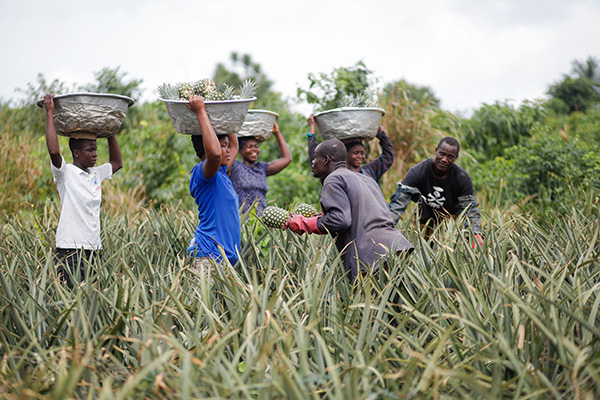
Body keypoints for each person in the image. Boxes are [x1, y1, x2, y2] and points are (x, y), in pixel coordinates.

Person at [284, 138, 413, 281]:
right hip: (398, 247)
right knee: (392, 303)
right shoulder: (366, 179)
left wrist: (303, 224)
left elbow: (340, 220)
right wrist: (318, 218)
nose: (313, 162)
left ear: (326, 160)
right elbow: (359, 215)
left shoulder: (333, 178)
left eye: (315, 157)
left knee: (367, 302)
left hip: (372, 255)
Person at [43, 94, 123, 288]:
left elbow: (117, 163)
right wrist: (50, 113)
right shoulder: (66, 173)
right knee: (69, 300)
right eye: (90, 150)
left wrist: (109, 130)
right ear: (76, 152)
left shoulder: (96, 174)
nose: (95, 154)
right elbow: (54, 152)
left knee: (91, 302)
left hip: (93, 249)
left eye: (96, 149)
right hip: (69, 249)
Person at [388, 136, 482, 240]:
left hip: (450, 221)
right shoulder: (418, 171)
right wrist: (386, 227)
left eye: (450, 157)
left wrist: (475, 236)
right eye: (442, 154)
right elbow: (398, 203)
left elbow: (471, 211)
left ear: (456, 158)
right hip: (423, 219)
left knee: (448, 250)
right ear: (436, 151)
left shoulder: (462, 178)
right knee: (419, 248)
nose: (444, 159)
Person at [186, 95, 241, 272]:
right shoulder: (202, 174)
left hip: (225, 260)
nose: (227, 151)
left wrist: (229, 111)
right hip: (207, 258)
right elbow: (215, 155)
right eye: (222, 145)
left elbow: (234, 147)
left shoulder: (222, 173)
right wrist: (201, 111)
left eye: (226, 145)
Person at [307, 114, 394, 183]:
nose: (360, 156)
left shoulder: (369, 171)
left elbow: (388, 156)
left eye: (362, 153)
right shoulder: (335, 173)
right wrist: (312, 129)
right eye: (356, 153)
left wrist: (379, 131)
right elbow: (316, 159)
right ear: (345, 154)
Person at [229, 122, 292, 214]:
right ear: (240, 151)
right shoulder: (235, 167)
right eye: (250, 147)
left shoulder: (261, 169)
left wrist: (277, 133)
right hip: (241, 222)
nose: (254, 149)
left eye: (256, 146)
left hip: (260, 221)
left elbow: (287, 158)